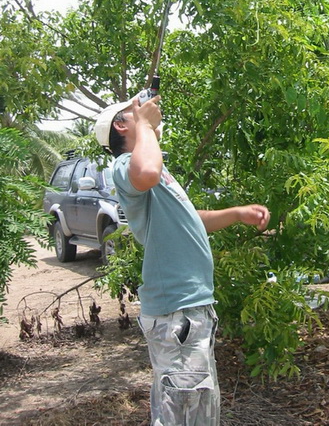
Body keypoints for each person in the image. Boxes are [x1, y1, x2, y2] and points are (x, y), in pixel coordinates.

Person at [94, 94, 270, 426]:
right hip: (178, 314)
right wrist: (145, 124)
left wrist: (234, 214)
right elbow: (144, 171)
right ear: (121, 126)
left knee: (193, 410)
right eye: (134, 113)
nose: (146, 113)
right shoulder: (126, 166)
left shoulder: (156, 171)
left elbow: (188, 219)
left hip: (187, 311)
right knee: (187, 413)